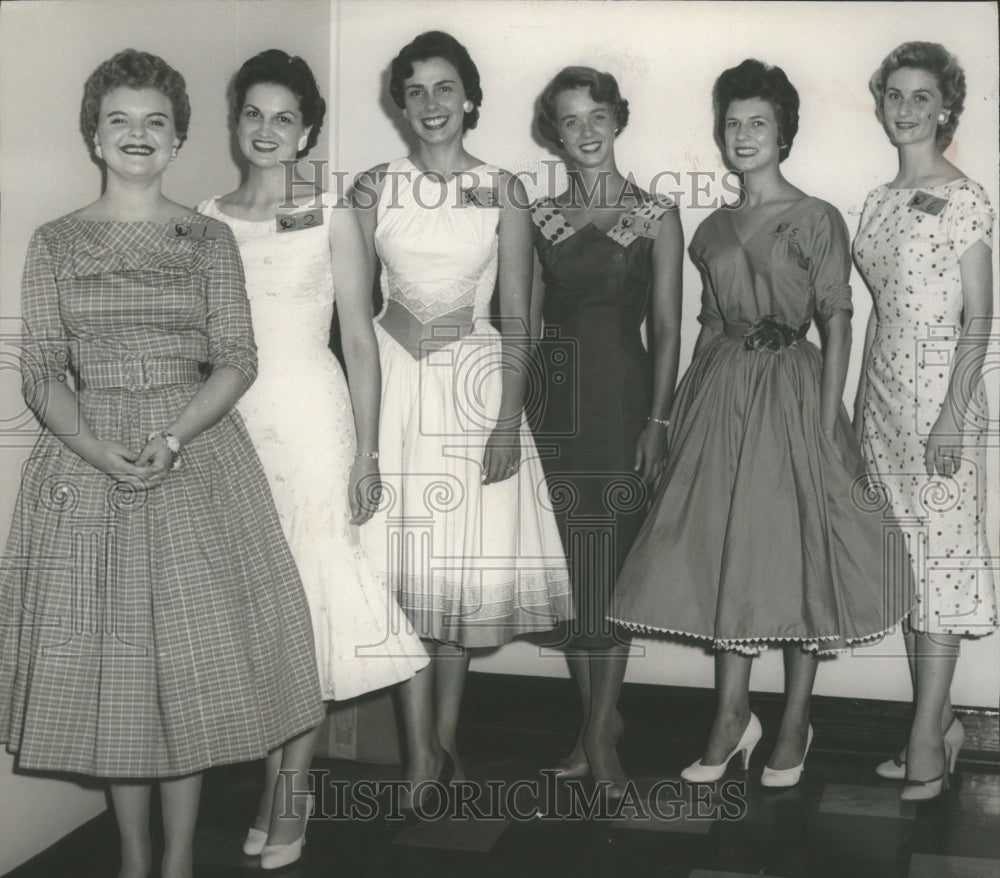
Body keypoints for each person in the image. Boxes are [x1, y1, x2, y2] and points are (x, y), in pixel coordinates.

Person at [0, 50, 324, 878]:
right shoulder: (56, 241)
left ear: (178, 139)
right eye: (120, 120)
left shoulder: (207, 236)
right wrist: (94, 448)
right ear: (95, 138)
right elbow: (39, 368)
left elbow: (237, 357)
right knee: (118, 680)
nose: (137, 134)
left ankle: (177, 862)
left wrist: (174, 436)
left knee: (186, 674)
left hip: (196, 457)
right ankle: (135, 862)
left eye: (155, 122)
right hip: (85, 469)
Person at [611, 58, 908, 788]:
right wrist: (678, 416)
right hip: (722, 395)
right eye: (733, 125)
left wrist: (824, 414)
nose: (743, 136)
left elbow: (838, 321)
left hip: (794, 395)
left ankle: (796, 718)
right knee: (725, 556)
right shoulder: (710, 229)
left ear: (784, 135)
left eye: (758, 125)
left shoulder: (816, 218)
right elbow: (711, 326)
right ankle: (730, 717)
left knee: (795, 559)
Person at [198, 50, 428, 867]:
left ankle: (292, 789)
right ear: (236, 123)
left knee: (313, 606)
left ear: (308, 132)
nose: (266, 131)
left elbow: (361, 341)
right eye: (253, 114)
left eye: (284, 118)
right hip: (233, 429)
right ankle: (272, 784)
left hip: (311, 417)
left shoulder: (330, 213)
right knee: (261, 610)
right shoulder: (205, 217)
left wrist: (368, 452)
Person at [353, 30, 572, 799]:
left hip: (472, 395)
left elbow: (520, 316)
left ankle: (441, 744)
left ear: (470, 97)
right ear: (399, 103)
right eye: (414, 91)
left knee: (450, 583)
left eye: (445, 88)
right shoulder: (373, 187)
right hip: (390, 394)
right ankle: (419, 752)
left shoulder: (506, 190)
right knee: (397, 581)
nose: (431, 105)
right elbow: (348, 309)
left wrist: (509, 419)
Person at [529, 67, 683, 792]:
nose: (586, 131)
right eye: (570, 120)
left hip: (624, 404)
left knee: (611, 566)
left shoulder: (652, 213)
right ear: (553, 132)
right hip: (555, 410)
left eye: (597, 116)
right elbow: (524, 326)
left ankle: (598, 736)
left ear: (617, 120)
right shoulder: (542, 218)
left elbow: (670, 327)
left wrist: (658, 420)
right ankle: (597, 722)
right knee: (572, 570)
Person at [853, 41, 997, 801]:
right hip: (882, 403)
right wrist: (858, 414)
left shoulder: (967, 196)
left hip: (944, 404)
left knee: (941, 567)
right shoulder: (877, 202)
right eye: (894, 95)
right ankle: (935, 726)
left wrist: (951, 415)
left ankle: (923, 743)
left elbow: (981, 318)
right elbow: (879, 318)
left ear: (945, 109)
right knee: (912, 572)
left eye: (920, 98)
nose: (905, 110)